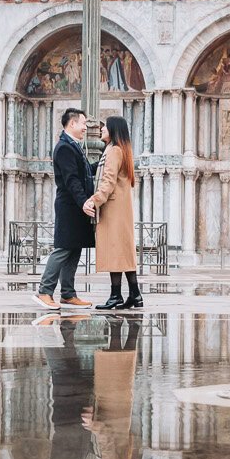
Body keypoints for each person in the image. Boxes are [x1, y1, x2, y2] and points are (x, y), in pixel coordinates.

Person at [35, 106, 96, 309]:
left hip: (76, 207)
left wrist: (104, 164)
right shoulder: (64, 148)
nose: (86, 127)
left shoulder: (73, 146)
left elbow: (85, 171)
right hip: (70, 206)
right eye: (84, 123)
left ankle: (68, 293)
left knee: (74, 249)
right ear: (72, 123)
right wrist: (84, 202)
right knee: (62, 249)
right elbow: (71, 180)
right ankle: (44, 290)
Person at [89, 114, 142, 311]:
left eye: (105, 127)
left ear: (113, 130)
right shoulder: (122, 150)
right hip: (121, 208)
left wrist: (95, 201)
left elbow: (108, 181)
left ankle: (116, 295)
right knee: (123, 252)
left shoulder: (113, 151)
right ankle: (135, 294)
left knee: (115, 251)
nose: (102, 129)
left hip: (113, 209)